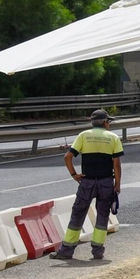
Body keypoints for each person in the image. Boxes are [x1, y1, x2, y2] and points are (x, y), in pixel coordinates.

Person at [56, 109, 123, 260]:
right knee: (103, 214)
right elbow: (117, 164)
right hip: (106, 182)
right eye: (109, 122)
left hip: (86, 182)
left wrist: (74, 174)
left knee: (78, 213)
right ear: (105, 122)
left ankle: (66, 250)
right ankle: (97, 251)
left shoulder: (83, 136)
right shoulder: (113, 138)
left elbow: (68, 156)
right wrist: (117, 184)